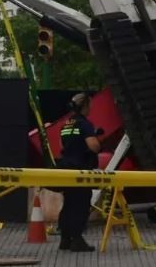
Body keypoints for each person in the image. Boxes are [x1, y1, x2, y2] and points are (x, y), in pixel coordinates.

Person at [57, 93, 101, 252]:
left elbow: (62, 145)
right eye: (90, 105)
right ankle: (77, 239)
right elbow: (93, 146)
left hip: (65, 169)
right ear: (85, 106)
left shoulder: (66, 124)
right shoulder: (84, 124)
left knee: (69, 203)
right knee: (81, 204)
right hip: (80, 171)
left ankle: (65, 239)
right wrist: (97, 141)